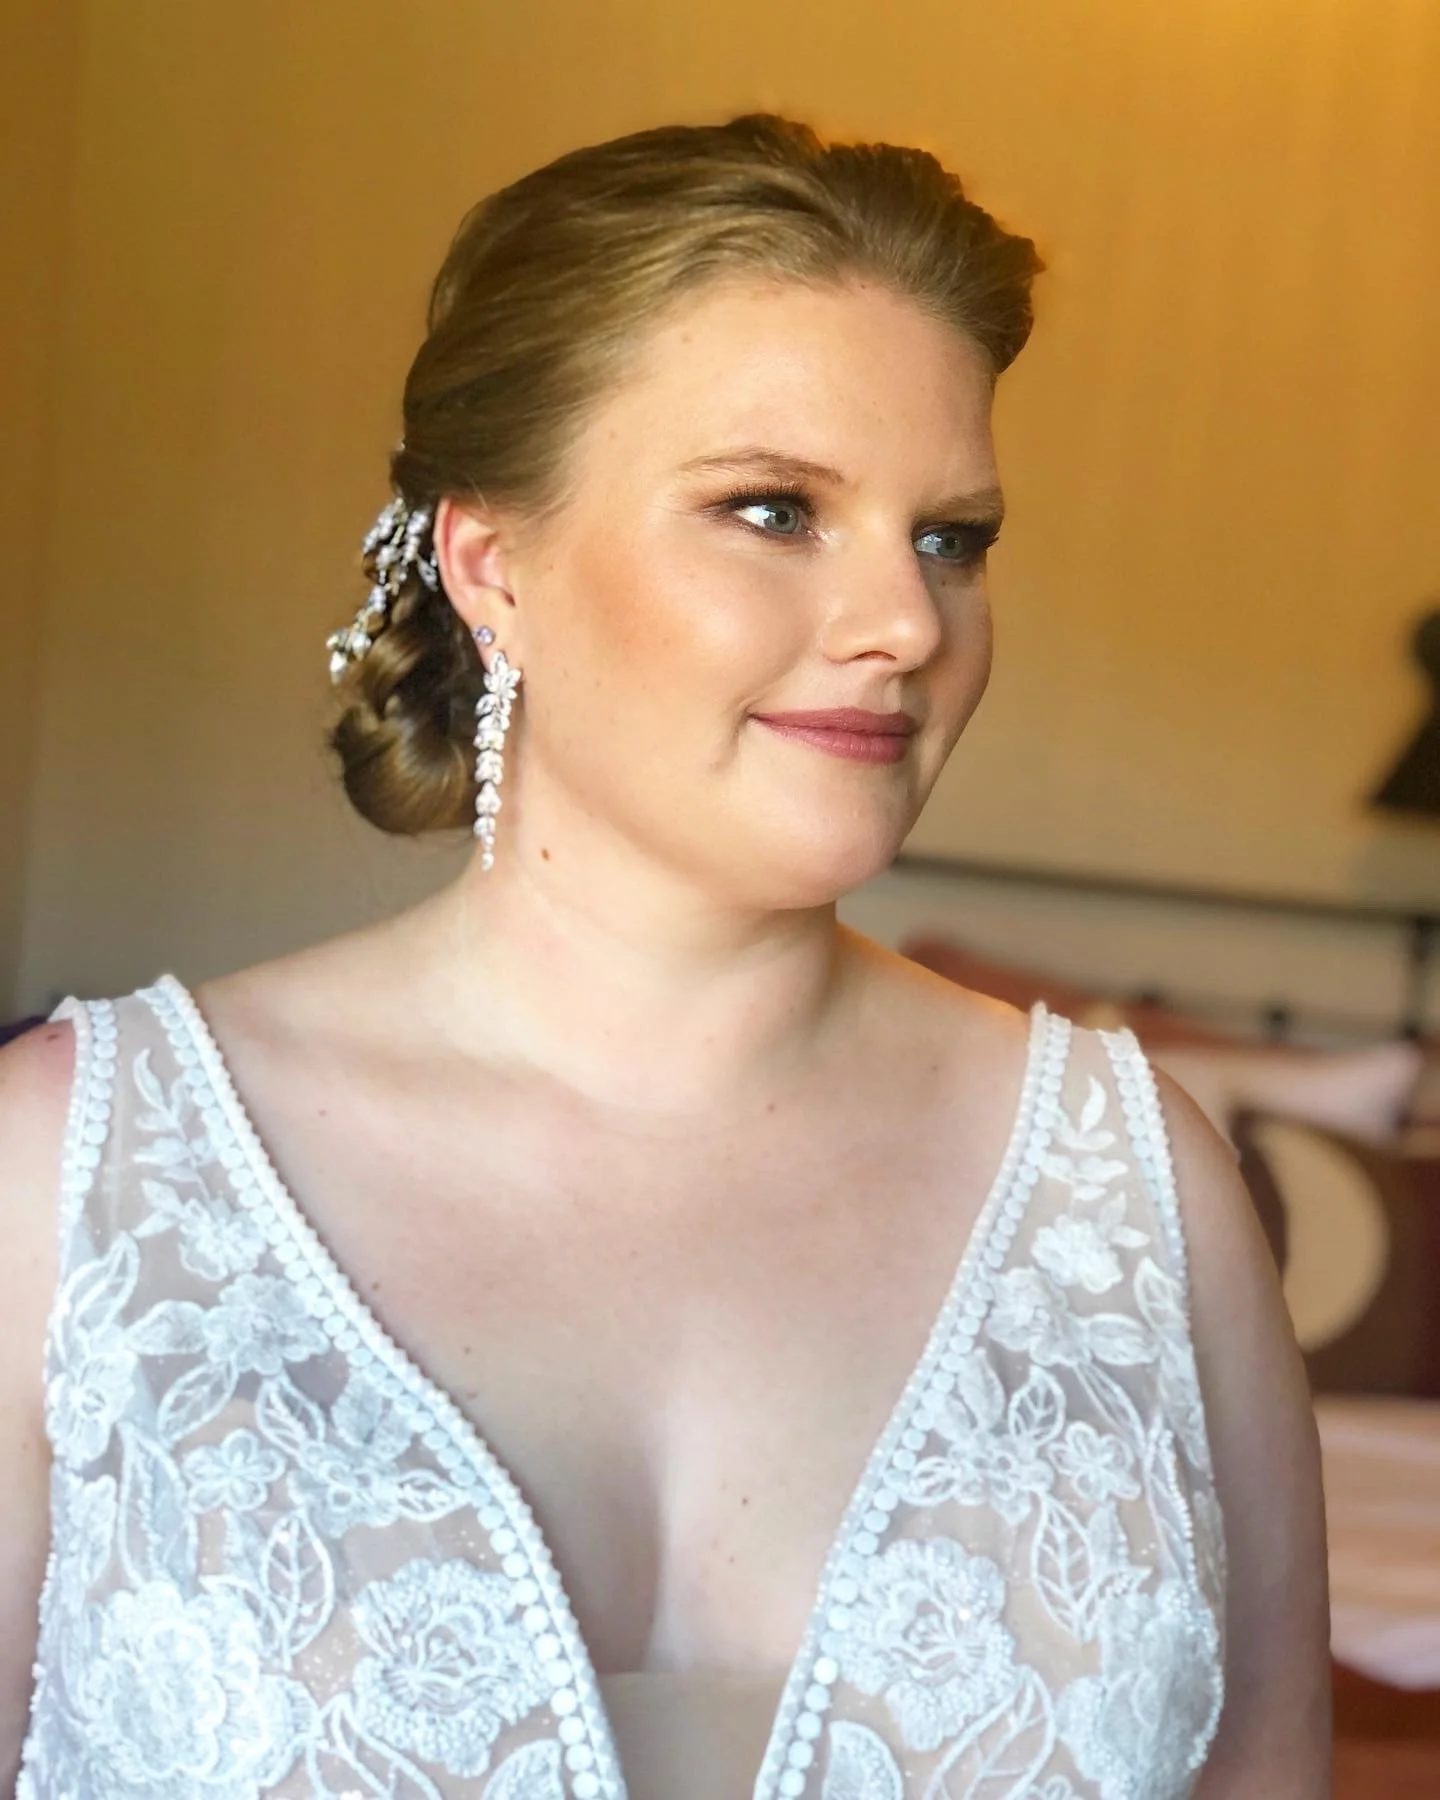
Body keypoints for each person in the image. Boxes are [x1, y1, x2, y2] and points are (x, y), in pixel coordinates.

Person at [0, 113, 1328, 1800]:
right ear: (493, 568)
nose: (906, 624)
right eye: (774, 509)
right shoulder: (74, 1175)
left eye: (951, 538)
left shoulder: (1141, 1195)